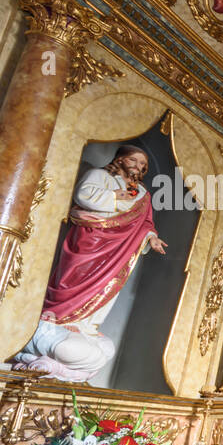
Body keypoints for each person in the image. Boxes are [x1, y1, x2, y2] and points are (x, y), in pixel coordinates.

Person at [11, 145, 166, 382]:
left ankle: (86, 325)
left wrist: (151, 237)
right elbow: (83, 195)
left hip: (119, 251)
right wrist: (114, 197)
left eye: (143, 165)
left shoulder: (141, 193)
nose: (139, 166)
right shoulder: (100, 176)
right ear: (121, 159)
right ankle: (62, 318)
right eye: (134, 160)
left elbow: (144, 223)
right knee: (73, 279)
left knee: (108, 285)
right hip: (90, 242)